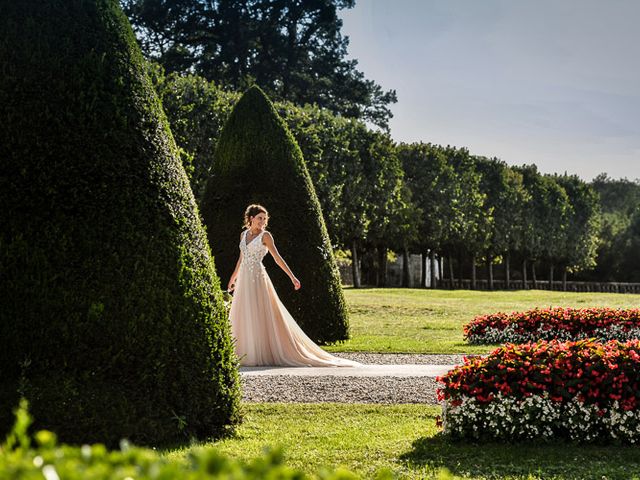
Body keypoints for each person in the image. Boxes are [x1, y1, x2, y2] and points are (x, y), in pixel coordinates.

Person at [227, 204, 359, 367]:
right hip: (244, 280)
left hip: (257, 279)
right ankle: (243, 352)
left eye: (265, 218)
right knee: (244, 312)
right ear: (251, 218)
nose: (263, 221)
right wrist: (233, 278)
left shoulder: (265, 236)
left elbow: (277, 258)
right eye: (260, 218)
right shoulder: (243, 235)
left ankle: (260, 352)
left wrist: (292, 277)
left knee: (259, 312)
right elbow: (241, 259)